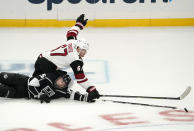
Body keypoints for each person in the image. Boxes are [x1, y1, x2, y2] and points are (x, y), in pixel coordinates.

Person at [32, 14, 100, 101]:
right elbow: (80, 77)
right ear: (78, 48)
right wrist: (91, 89)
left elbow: (71, 33)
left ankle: (35, 87)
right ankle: (41, 93)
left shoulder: (72, 42)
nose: (85, 53)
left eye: (86, 51)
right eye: (83, 50)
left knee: (58, 78)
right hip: (46, 65)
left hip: (42, 59)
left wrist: (79, 24)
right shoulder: (75, 59)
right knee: (60, 82)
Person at [0, 71, 95, 103]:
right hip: (22, 80)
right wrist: (39, 95)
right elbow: (32, 83)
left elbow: (73, 95)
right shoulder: (50, 77)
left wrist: (86, 98)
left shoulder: (62, 91)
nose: (61, 83)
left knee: (2, 91)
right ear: (59, 77)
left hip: (22, 93)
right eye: (61, 80)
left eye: (63, 84)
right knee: (2, 76)